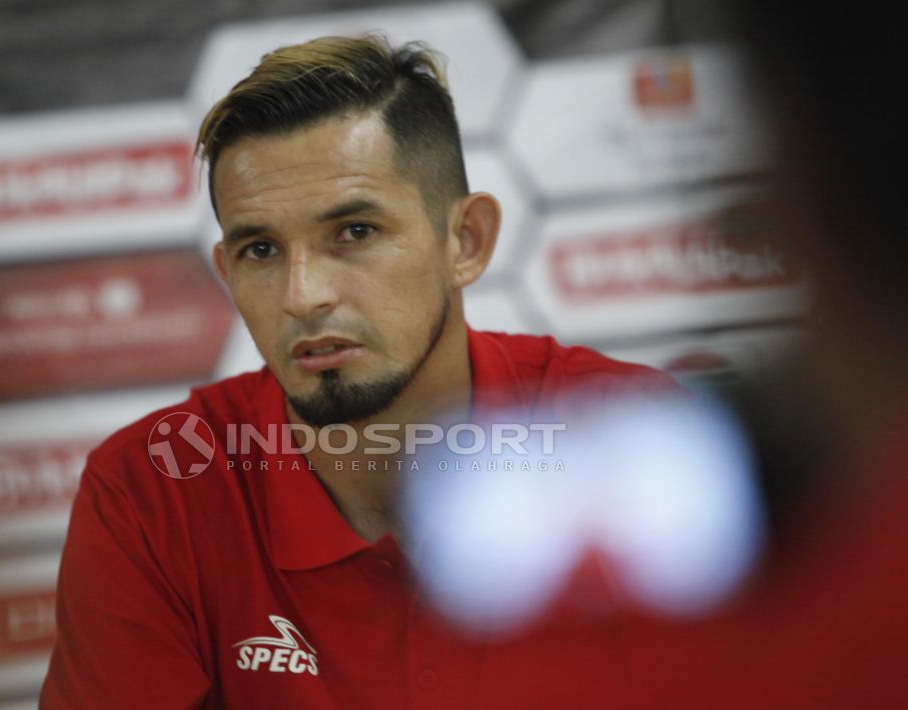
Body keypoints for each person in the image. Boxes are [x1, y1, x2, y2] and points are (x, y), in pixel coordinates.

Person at [39, 36, 676, 708]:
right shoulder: (152, 490)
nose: (303, 294)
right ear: (228, 273)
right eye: (261, 249)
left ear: (466, 242)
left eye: (355, 232)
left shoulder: (631, 435)